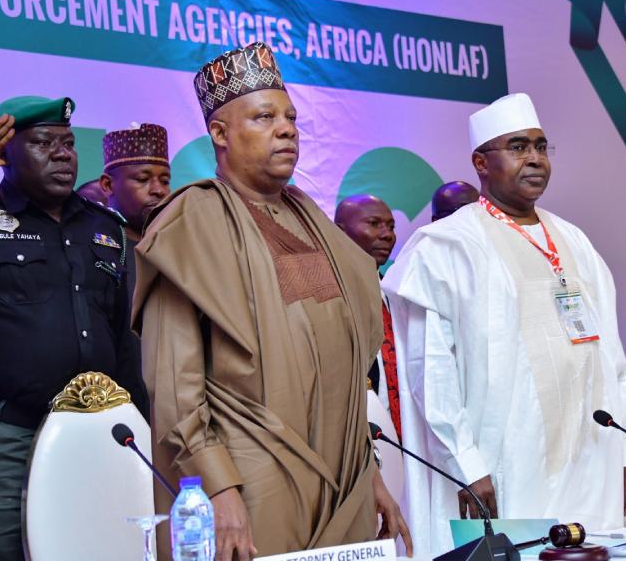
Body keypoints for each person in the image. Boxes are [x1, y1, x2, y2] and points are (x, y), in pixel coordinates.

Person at [132, 42, 411, 560]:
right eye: (264, 117)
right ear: (220, 133)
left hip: (344, 481)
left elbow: (347, 370)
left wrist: (369, 476)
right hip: (252, 480)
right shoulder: (189, 224)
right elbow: (175, 386)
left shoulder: (315, 222)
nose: (287, 129)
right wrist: (219, 489)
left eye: (290, 117)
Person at [382, 93, 626, 555]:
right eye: (518, 147)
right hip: (502, 464)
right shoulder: (446, 246)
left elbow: (611, 360)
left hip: (589, 458)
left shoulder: (575, 240)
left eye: (541, 146)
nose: (535, 158)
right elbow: (430, 370)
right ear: (481, 162)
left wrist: (624, 455)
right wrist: (464, 464)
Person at [0, 97, 148, 560]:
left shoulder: (105, 230)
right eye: (44, 143)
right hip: (7, 439)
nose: (63, 153)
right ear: (5, 154)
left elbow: (123, 340)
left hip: (100, 435)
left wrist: (138, 426)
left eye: (67, 143)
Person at [335, 194, 402, 438]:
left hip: (403, 438)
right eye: (374, 224)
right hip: (354, 432)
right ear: (339, 232)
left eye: (391, 226)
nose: (387, 234)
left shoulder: (393, 290)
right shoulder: (328, 296)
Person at [99, 122, 171, 297]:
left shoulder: (180, 246)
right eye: (142, 179)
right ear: (108, 185)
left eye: (165, 181)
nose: (158, 190)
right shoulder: (90, 247)